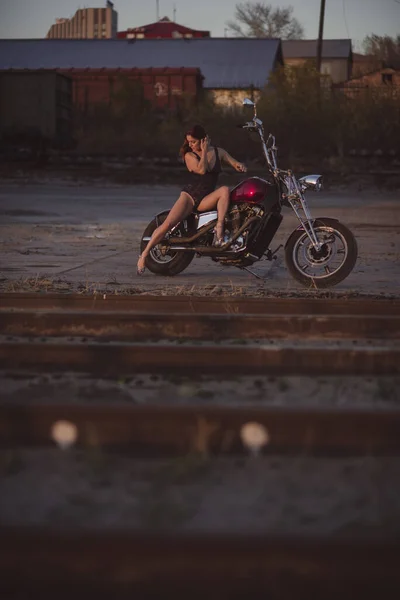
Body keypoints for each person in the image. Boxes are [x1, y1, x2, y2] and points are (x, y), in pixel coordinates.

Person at [137, 124, 247, 274]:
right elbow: (202, 170)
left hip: (205, 198)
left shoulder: (217, 152)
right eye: (189, 142)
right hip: (189, 197)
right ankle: (144, 255)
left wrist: (239, 165)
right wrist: (202, 151)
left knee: (224, 190)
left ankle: (219, 230)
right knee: (168, 224)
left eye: (193, 142)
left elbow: (234, 162)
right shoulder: (189, 155)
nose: (190, 145)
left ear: (203, 139)